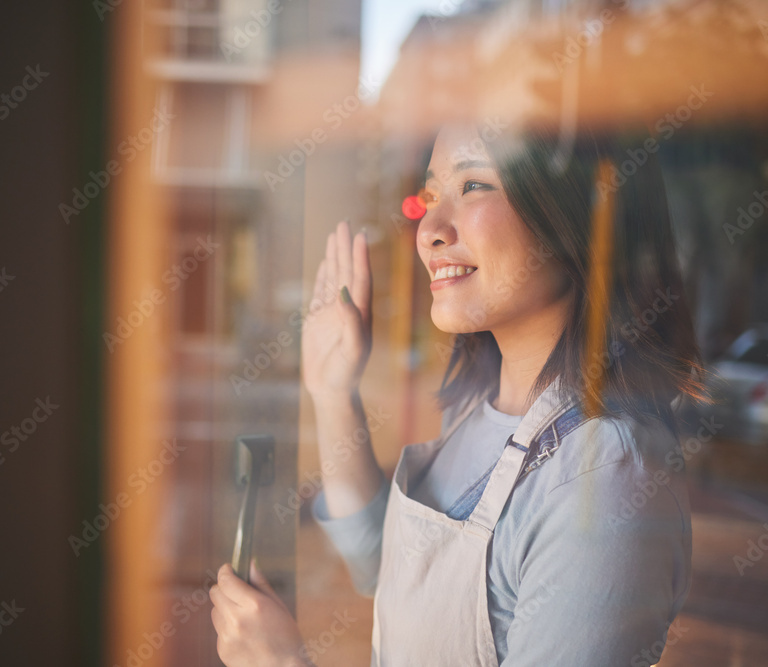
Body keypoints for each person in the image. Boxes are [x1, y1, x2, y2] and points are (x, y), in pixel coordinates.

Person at [209, 121, 705, 666]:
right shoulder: (485, 411)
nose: (429, 231)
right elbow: (390, 567)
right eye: (430, 195)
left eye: (474, 186)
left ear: (576, 217)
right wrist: (332, 392)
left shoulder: (604, 477)